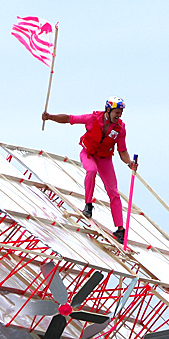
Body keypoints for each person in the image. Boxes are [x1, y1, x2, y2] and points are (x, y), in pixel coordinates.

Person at [42, 97, 137, 244]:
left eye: (121, 113)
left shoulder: (120, 128)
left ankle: (120, 229)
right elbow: (69, 118)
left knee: (113, 192)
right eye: (117, 112)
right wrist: (50, 117)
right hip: (88, 154)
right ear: (108, 110)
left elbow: (122, 150)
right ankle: (88, 205)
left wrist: (129, 163)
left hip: (105, 159)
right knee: (91, 171)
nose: (119, 115)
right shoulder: (93, 118)